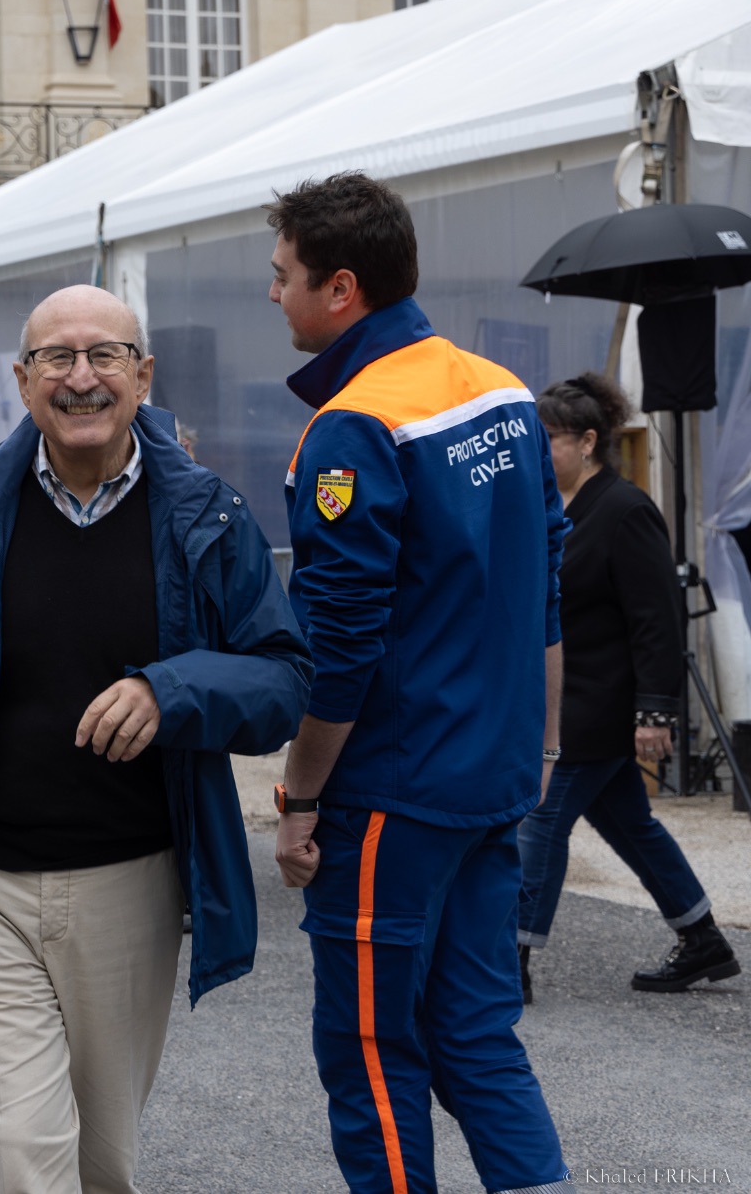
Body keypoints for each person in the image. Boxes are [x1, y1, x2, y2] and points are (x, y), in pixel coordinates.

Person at [0, 284, 311, 1194]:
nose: (81, 376)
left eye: (105, 355)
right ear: (22, 379)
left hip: (132, 886)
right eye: (58, 357)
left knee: (104, 1165)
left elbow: (284, 681)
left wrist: (171, 690)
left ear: (143, 374)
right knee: (21, 1155)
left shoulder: (207, 516)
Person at [268, 172, 569, 1194]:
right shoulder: (505, 393)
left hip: (392, 791)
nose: (273, 295)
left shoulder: (350, 428)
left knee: (367, 1049)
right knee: (477, 1035)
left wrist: (299, 797)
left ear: (338, 288)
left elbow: (338, 645)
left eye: (282, 277)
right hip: (490, 780)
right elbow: (543, 600)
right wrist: (536, 749)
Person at [518, 374, 739, 999]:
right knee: (629, 824)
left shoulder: (625, 510)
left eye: (549, 437)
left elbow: (658, 621)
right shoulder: (552, 509)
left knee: (541, 821)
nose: (537, 448)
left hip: (601, 706)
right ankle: (704, 941)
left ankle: (512, 958)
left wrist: (656, 714)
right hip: (568, 700)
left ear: (588, 441)